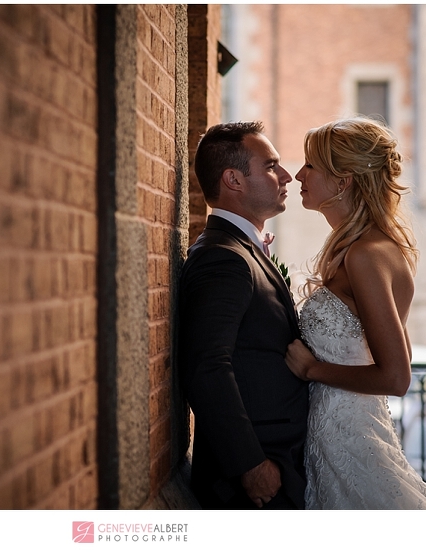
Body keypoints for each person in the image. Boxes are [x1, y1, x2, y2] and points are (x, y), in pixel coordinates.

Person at [285, 117, 426, 509]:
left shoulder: (366, 255)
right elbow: (400, 350)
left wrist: (313, 369)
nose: (298, 174)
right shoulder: (370, 248)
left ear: (343, 181)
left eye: (310, 165)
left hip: (352, 443)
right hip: (336, 437)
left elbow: (396, 374)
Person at [179, 121, 308, 510]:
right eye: (271, 166)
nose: (286, 176)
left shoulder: (242, 249)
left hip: (282, 461)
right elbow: (206, 364)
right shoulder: (223, 257)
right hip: (251, 480)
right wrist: (250, 464)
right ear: (233, 179)